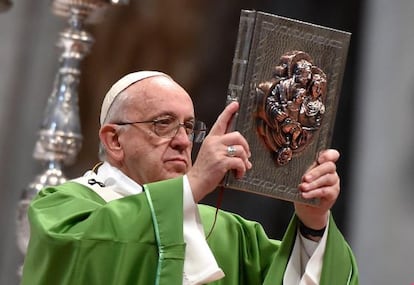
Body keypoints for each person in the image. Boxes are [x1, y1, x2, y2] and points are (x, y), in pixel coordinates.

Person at [21, 71, 359, 285]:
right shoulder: (65, 211)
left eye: (187, 127)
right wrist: (195, 182)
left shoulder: (231, 234)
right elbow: (93, 251)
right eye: (162, 124)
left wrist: (313, 222)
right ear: (114, 140)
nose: (183, 141)